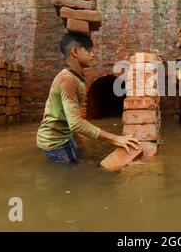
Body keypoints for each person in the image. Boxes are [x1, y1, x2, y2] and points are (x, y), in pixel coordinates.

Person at [37, 33, 139, 164]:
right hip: (55, 143)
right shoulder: (67, 79)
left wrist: (80, 143)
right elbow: (75, 123)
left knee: (83, 161)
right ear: (75, 51)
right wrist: (115, 138)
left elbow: (70, 121)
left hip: (65, 136)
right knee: (72, 176)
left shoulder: (76, 77)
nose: (93, 55)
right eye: (89, 51)